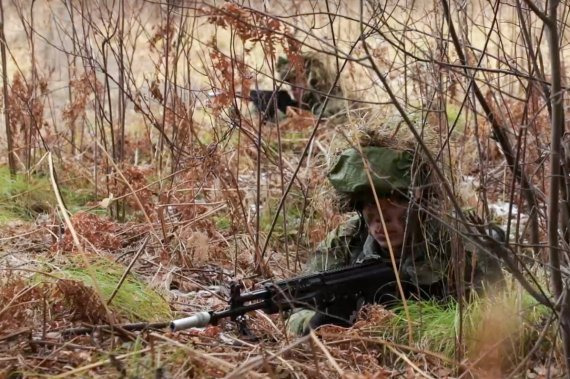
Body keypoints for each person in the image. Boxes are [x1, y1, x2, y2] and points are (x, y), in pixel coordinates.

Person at [286, 128, 504, 336]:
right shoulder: (347, 240)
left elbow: (495, 312)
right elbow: (294, 307)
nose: (382, 221)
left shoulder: (457, 239)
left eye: (394, 204)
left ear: (421, 205)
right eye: (371, 205)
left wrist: (413, 327)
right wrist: (318, 321)